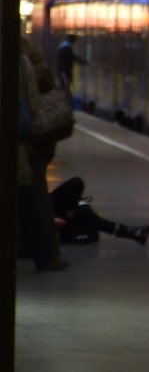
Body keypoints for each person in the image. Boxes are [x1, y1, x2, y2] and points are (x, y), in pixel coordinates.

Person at [18, 50, 68, 271]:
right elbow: (34, 104)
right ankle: (46, 255)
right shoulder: (22, 57)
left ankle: (43, 254)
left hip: (22, 146)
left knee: (30, 198)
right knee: (31, 199)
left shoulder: (21, 58)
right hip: (24, 144)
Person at [50, 177, 149, 246]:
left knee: (77, 190)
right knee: (84, 214)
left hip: (44, 206)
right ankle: (129, 231)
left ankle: (129, 231)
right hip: (44, 215)